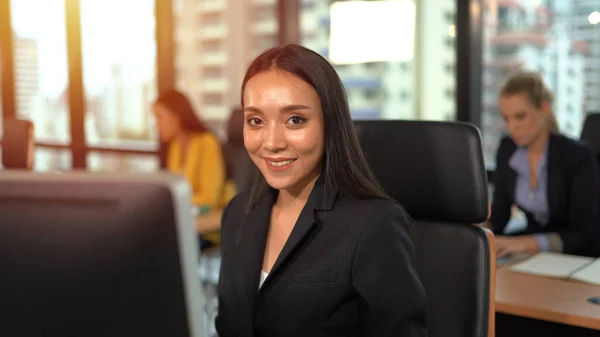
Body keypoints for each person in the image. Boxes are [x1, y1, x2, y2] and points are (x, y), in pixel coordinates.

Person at [215, 44, 427, 337]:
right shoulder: (237, 213)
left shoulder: (374, 225)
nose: (272, 142)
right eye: (256, 121)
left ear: (330, 125)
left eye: (295, 120)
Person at [490, 71, 600, 257]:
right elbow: (500, 215)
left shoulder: (577, 155)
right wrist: (479, 230)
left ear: (544, 109)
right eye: (506, 118)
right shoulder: (507, 149)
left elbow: (584, 233)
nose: (511, 127)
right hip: (534, 254)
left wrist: (528, 243)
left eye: (520, 117)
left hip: (578, 256)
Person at [153, 89, 235, 246]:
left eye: (159, 117)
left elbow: (210, 198)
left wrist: (175, 201)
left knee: (170, 245)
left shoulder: (207, 142)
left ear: (176, 116)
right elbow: (174, 189)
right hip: (191, 221)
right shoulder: (175, 146)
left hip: (214, 226)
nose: (157, 124)